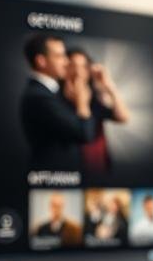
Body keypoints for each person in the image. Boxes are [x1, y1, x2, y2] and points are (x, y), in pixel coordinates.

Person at [20, 34, 96, 171]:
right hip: (51, 176)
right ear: (41, 61)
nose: (67, 62)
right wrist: (82, 102)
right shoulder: (39, 97)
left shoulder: (51, 92)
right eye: (59, 56)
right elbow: (84, 134)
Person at [66, 47, 130, 174]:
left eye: (83, 67)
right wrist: (80, 101)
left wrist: (109, 86)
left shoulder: (94, 99)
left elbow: (123, 117)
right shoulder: (55, 98)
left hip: (99, 167)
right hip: (72, 171)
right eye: (73, 65)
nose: (78, 72)